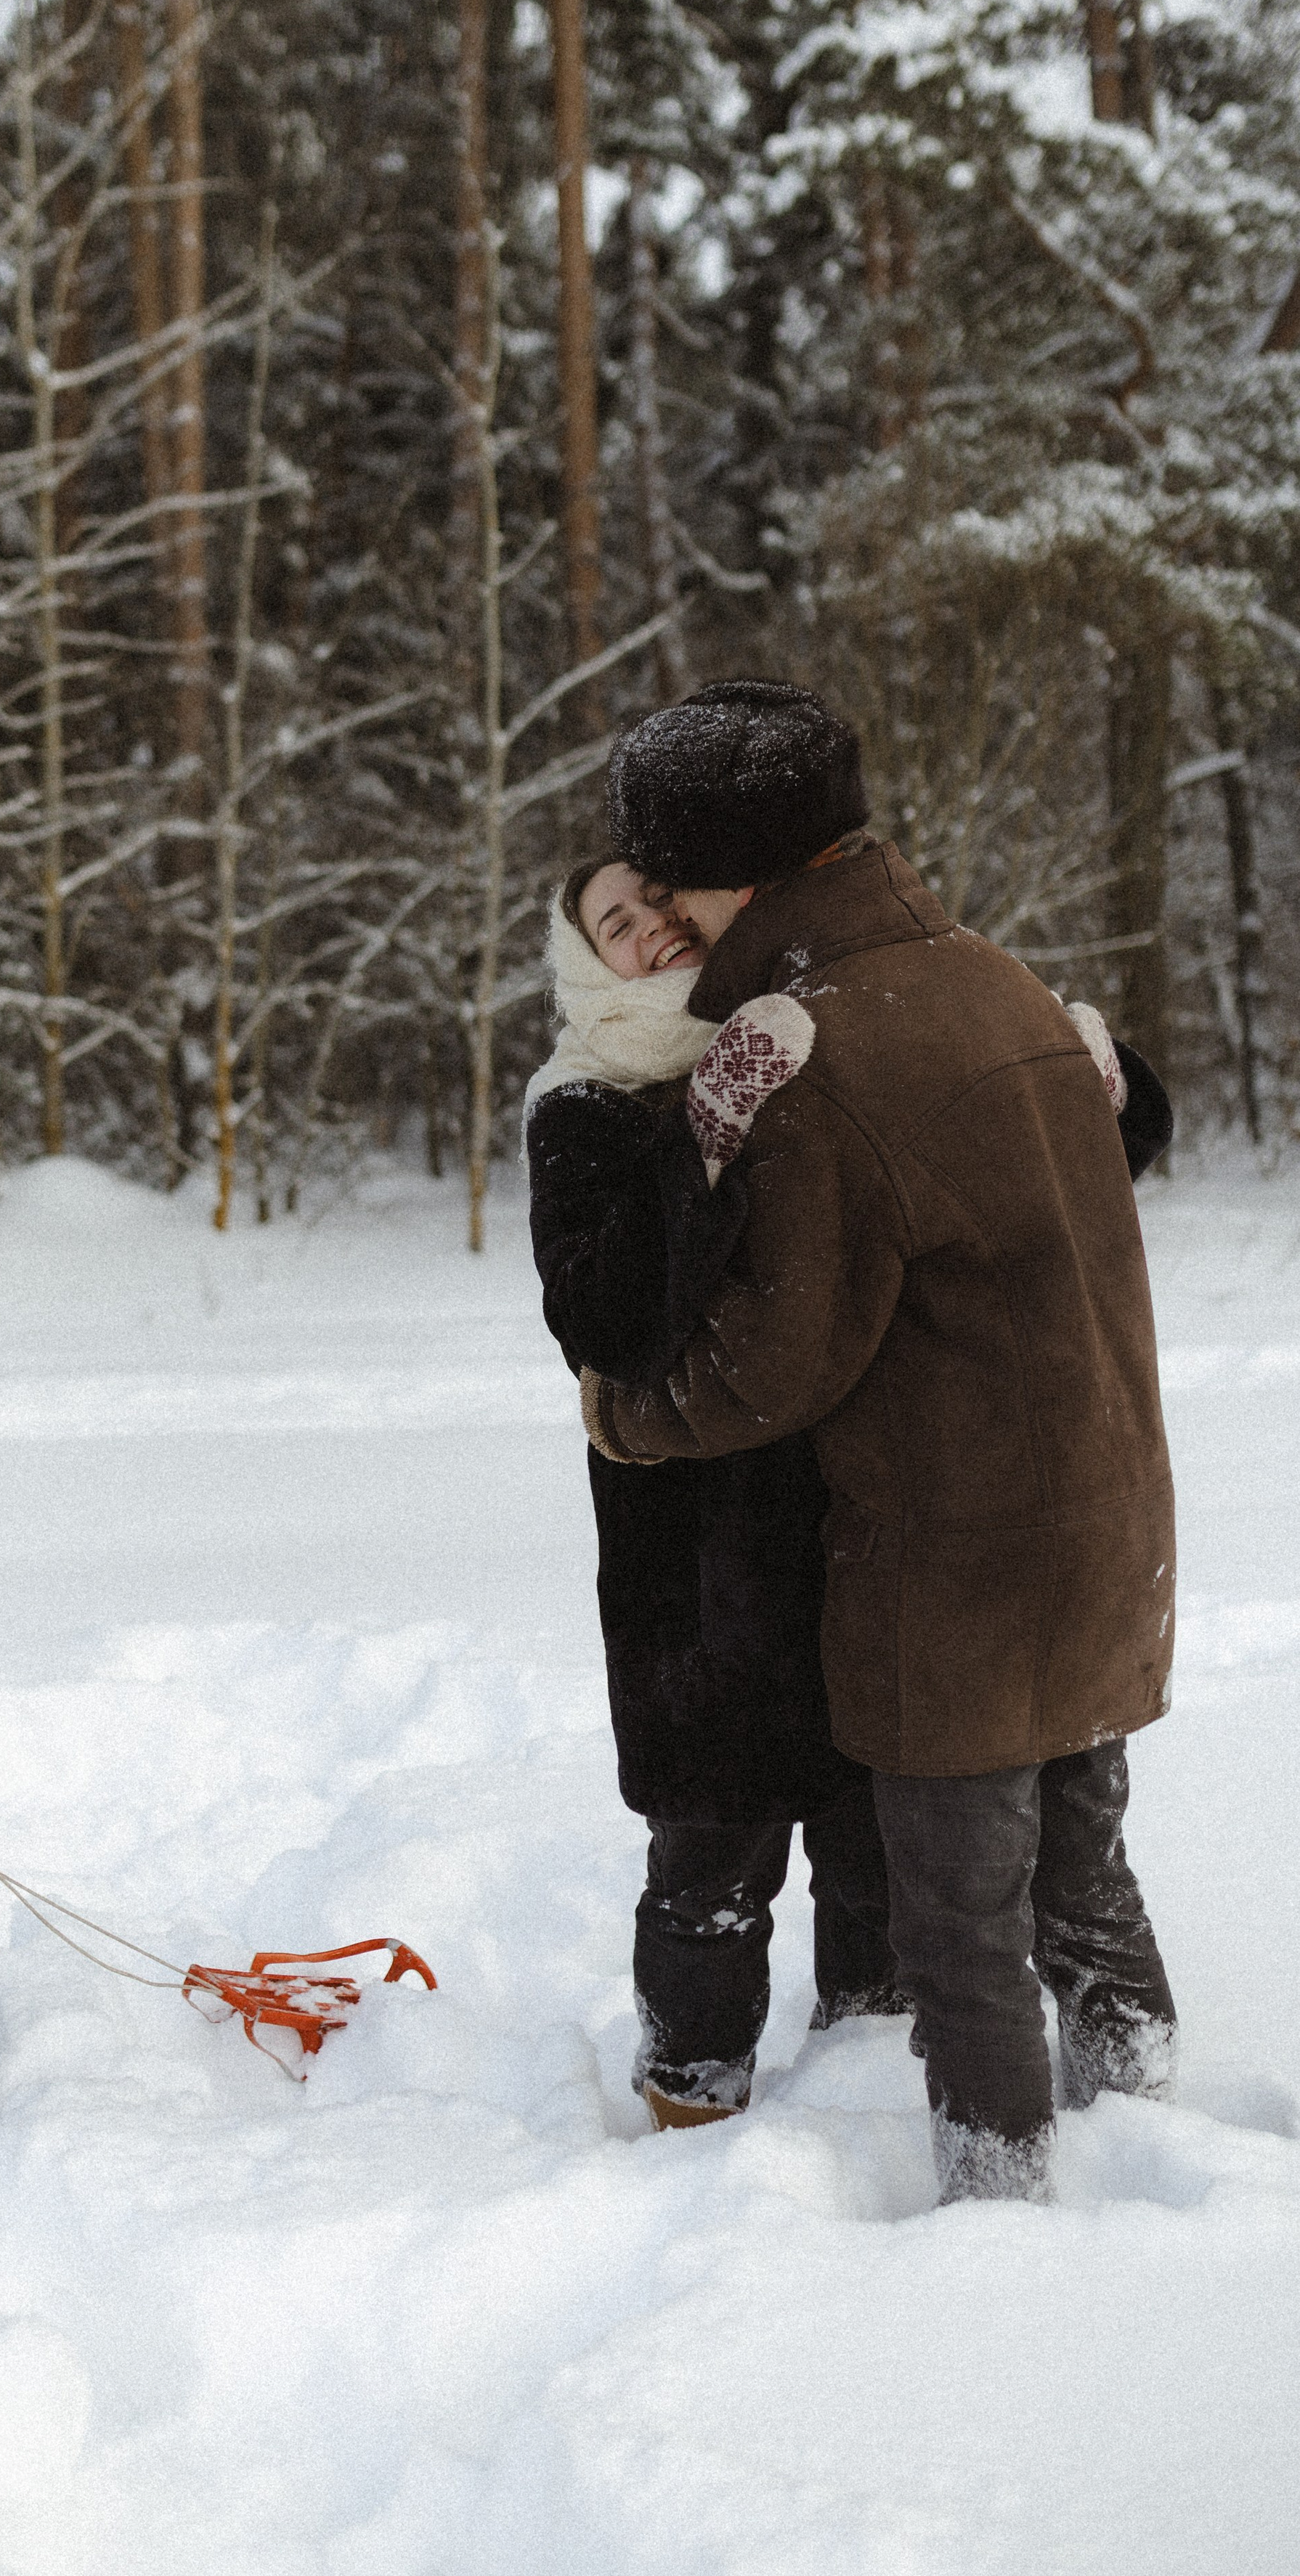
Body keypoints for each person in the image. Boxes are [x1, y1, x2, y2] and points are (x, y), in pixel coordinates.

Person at [582, 677, 1177, 2201]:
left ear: (734, 870)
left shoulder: (817, 1045)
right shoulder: (985, 974)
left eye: (667, 880)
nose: (661, 913)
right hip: (1104, 1523)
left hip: (956, 1563)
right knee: (1084, 1882)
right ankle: (1154, 2115)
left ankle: (996, 2215)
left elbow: (778, 1359)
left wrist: (626, 1413)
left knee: (959, 1935)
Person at [526, 854, 904, 2130]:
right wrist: (705, 1132)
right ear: (589, 961)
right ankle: (692, 2110)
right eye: (613, 926)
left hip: (850, 1528)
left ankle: (867, 2086)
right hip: (689, 1566)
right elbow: (608, 1318)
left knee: (873, 1850)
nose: (648, 933)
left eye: (656, 904)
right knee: (711, 1863)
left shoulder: (805, 1031)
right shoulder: (580, 1107)